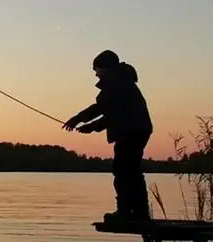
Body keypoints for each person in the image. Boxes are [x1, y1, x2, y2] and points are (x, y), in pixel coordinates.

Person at [63, 50, 153, 222]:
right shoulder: (121, 82)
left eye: (96, 69)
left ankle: (126, 212)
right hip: (136, 129)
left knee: (123, 170)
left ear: (106, 68)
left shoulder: (117, 84)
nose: (96, 73)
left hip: (131, 131)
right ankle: (138, 212)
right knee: (130, 171)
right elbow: (107, 110)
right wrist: (83, 122)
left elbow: (106, 111)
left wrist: (86, 124)